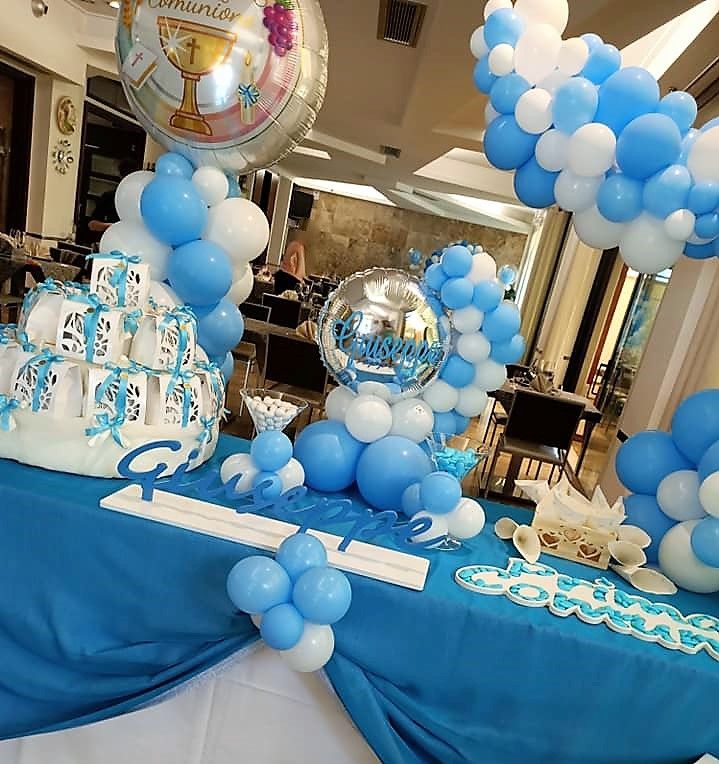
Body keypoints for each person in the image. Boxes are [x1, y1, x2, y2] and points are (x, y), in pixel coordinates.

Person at [87, 159, 140, 244]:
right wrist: (113, 227)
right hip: (109, 242)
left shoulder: (139, 200)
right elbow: (92, 224)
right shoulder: (110, 196)